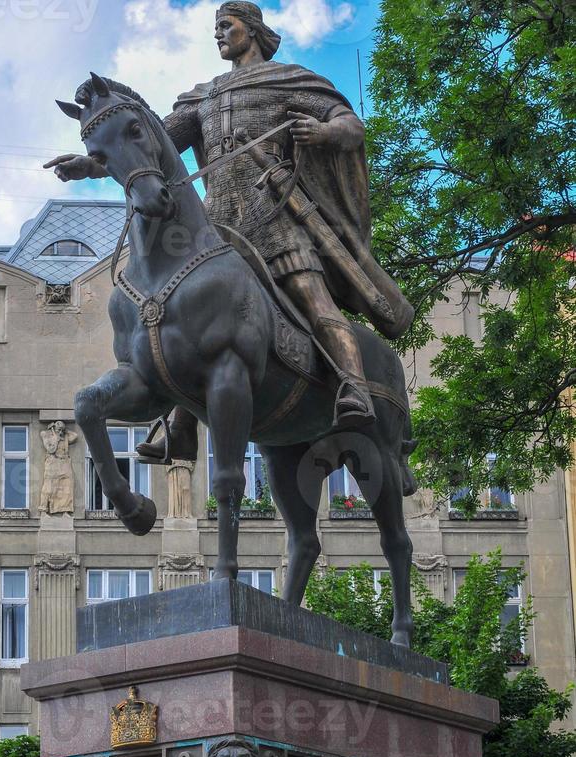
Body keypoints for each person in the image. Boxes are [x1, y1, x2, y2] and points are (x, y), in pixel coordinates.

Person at [45, 2, 403, 463]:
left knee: (313, 299)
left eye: (226, 26)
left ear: (251, 31)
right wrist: (93, 165)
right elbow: (150, 143)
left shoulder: (287, 80)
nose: (218, 35)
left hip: (276, 220)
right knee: (188, 318)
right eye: (215, 28)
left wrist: (324, 130)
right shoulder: (203, 97)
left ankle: (353, 386)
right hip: (213, 231)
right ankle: (181, 427)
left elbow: (351, 125)